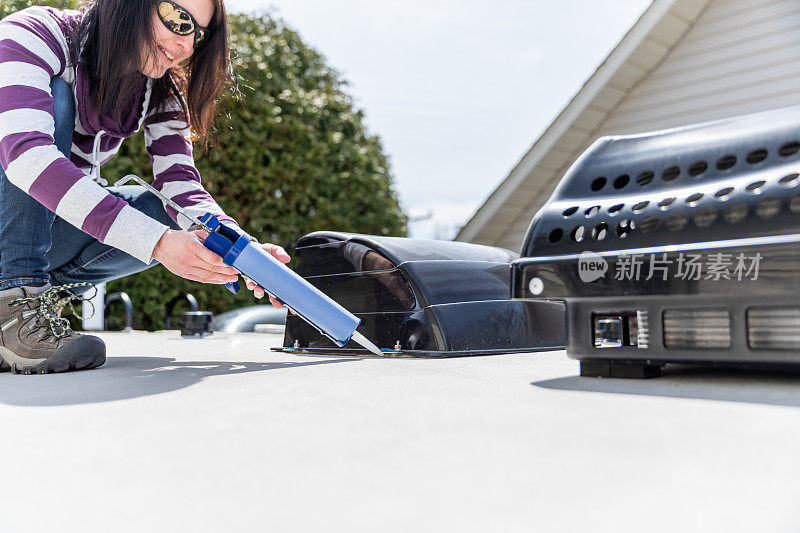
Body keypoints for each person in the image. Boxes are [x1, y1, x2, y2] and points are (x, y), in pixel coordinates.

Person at [0, 0, 290, 374]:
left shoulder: (161, 91)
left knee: (164, 215)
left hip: (34, 239)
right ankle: (14, 299)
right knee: (58, 99)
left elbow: (181, 186)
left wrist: (240, 249)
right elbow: (27, 156)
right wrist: (155, 241)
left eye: (199, 35)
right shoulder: (35, 32)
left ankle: (30, 303)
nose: (187, 46)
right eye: (179, 20)